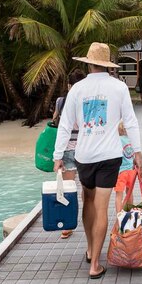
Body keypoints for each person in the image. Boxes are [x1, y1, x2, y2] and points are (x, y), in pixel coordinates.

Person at [54, 42, 142, 279]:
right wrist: (138, 151)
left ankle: (90, 248)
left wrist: (57, 156)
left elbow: (64, 124)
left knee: (88, 202)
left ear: (89, 63)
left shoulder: (77, 89)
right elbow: (131, 121)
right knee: (102, 208)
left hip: (84, 156)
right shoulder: (119, 87)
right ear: (107, 65)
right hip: (110, 156)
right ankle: (96, 264)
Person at [51, 68, 86, 240]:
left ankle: (67, 226)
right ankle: (88, 220)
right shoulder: (87, 100)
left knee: (68, 189)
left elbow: (57, 122)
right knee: (86, 189)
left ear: (68, 84)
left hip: (67, 148)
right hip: (85, 149)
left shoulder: (60, 101)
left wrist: (57, 155)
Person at [114, 122, 138, 212]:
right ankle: (130, 211)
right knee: (129, 192)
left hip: (121, 171)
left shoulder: (118, 140)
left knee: (118, 195)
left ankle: (119, 215)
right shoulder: (132, 141)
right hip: (131, 170)